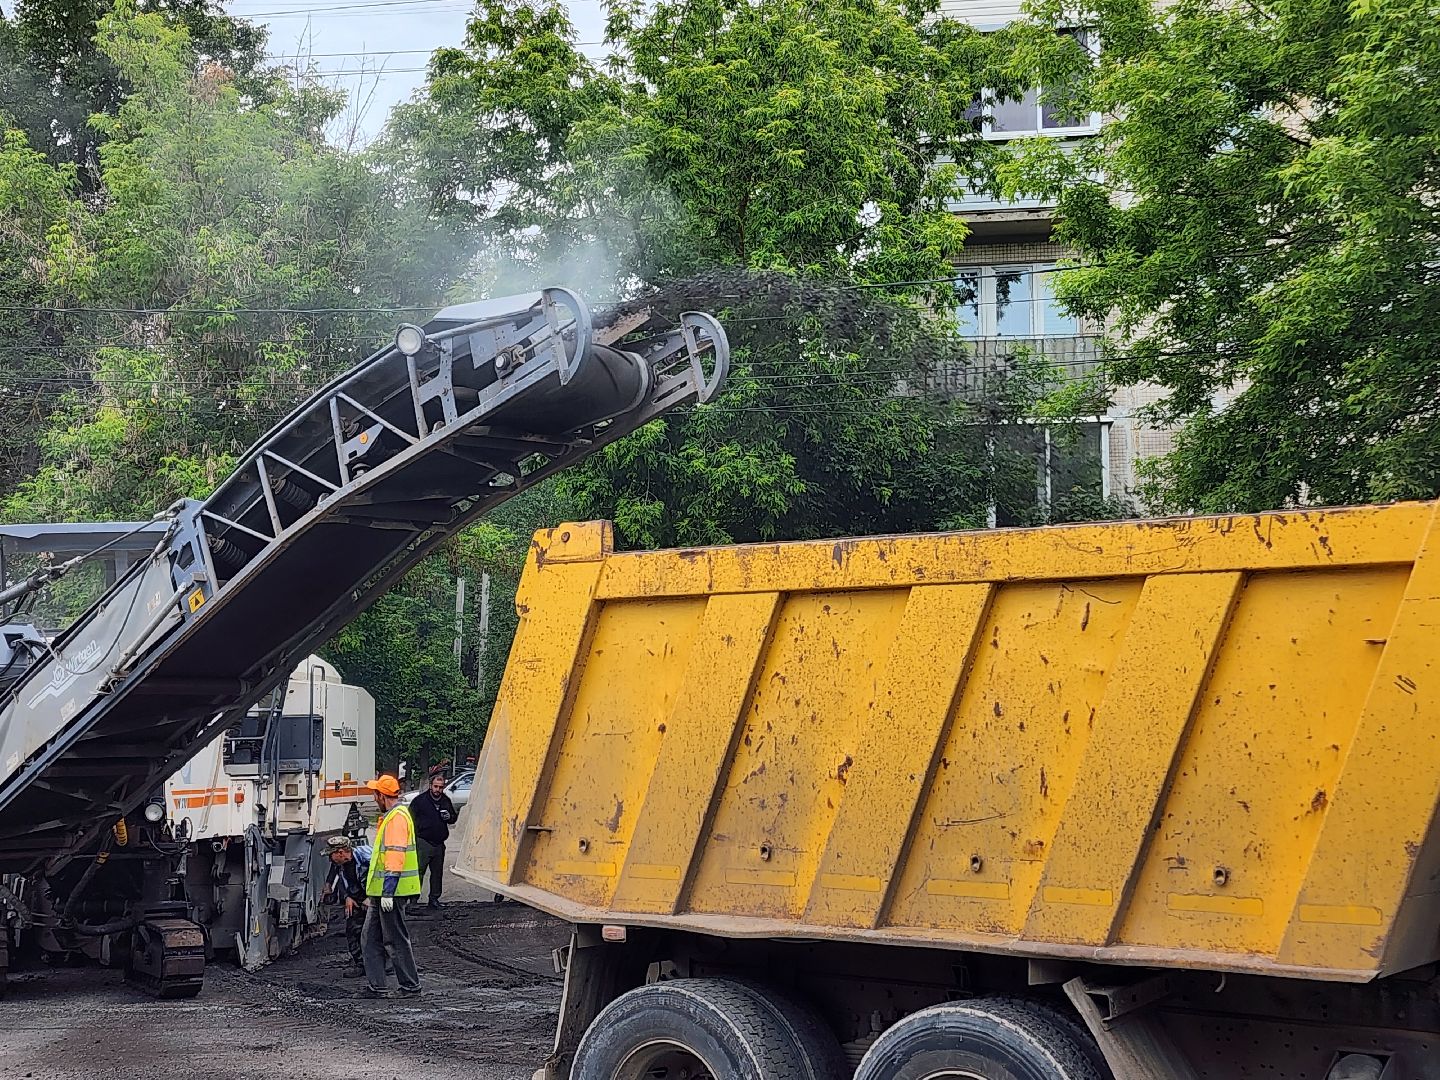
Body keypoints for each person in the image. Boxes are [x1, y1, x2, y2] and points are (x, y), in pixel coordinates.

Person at [359, 773, 422, 999]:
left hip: (391, 893)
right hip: (381, 893)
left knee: (395, 940)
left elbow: (395, 856)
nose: (373, 798)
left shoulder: (396, 819)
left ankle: (410, 987)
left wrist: (387, 891)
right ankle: (377, 987)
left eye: (375, 794)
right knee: (370, 939)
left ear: (381, 795)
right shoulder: (391, 817)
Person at [320, 834, 371, 977]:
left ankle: (382, 965)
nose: (330, 859)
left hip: (373, 898)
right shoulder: (341, 863)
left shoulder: (366, 857)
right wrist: (347, 896)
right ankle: (361, 964)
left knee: (376, 933)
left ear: (341, 852)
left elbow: (382, 874)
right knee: (353, 931)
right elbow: (341, 876)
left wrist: (372, 898)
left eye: (331, 855)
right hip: (356, 898)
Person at [409, 771, 458, 912]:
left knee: (437, 873)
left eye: (441, 787)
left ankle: (434, 898)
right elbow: (410, 818)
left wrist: (449, 817)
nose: (438, 790)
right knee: (418, 872)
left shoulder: (445, 800)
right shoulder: (420, 801)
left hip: (439, 843)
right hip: (423, 842)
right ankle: (413, 900)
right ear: (430, 786)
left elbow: (453, 818)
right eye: (436, 786)